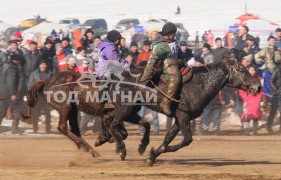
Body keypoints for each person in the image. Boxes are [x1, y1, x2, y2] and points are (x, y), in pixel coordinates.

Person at [139, 22, 181, 115]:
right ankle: (166, 102)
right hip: (167, 71)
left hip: (178, 65)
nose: (175, 35)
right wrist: (144, 79)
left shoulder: (175, 43)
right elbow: (152, 61)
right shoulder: (161, 46)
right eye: (174, 33)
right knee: (176, 79)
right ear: (170, 34)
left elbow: (181, 56)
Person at [255, 36, 281, 116]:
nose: (274, 41)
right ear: (268, 41)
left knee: (277, 89)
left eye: (275, 40)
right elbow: (257, 57)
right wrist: (262, 63)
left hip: (277, 72)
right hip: (269, 71)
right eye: (272, 40)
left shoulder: (278, 49)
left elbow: (278, 60)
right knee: (267, 90)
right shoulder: (265, 50)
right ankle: (265, 109)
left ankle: (276, 109)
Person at [28, 60, 53, 133]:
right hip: (37, 97)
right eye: (42, 64)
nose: (43, 66)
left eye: (44, 65)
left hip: (46, 97)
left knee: (48, 114)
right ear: (39, 66)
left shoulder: (50, 73)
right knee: (35, 114)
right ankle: (35, 128)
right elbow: (30, 85)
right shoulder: (34, 74)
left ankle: (48, 129)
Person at [0, 53, 22, 134]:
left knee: (1, 112)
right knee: (18, 110)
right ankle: (15, 128)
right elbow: (11, 82)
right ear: (16, 60)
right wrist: (13, 93)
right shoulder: (12, 68)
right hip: (8, 94)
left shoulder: (3, 65)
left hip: (2, 93)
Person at [239, 66, 262, 135]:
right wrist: (246, 98)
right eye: (251, 70)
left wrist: (259, 98)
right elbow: (241, 90)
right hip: (248, 101)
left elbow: (260, 90)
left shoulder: (257, 79)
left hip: (256, 100)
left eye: (253, 70)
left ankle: (255, 131)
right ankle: (246, 131)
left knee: (256, 115)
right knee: (247, 115)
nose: (252, 71)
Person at [269, 63, 281, 134]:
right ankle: (268, 126)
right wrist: (276, 90)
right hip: (276, 94)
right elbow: (271, 81)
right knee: (273, 111)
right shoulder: (277, 69)